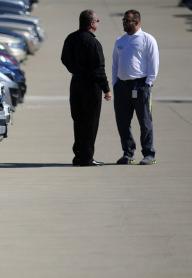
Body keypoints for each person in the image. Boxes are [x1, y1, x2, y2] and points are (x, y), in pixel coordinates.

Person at [61, 9, 112, 167]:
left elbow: (64, 58)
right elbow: (98, 69)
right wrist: (106, 89)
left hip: (75, 82)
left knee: (79, 120)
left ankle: (79, 155)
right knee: (90, 122)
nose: (97, 23)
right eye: (97, 20)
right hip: (90, 85)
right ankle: (86, 158)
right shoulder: (92, 42)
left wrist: (75, 70)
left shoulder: (71, 38)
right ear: (91, 23)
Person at [112, 10, 160, 165]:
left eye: (127, 20)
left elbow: (154, 62)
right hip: (122, 87)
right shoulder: (120, 40)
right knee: (123, 122)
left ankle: (148, 154)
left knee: (145, 122)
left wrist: (148, 83)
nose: (124, 23)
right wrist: (115, 83)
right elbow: (115, 64)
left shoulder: (147, 39)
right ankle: (128, 153)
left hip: (140, 87)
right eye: (123, 20)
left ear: (137, 22)